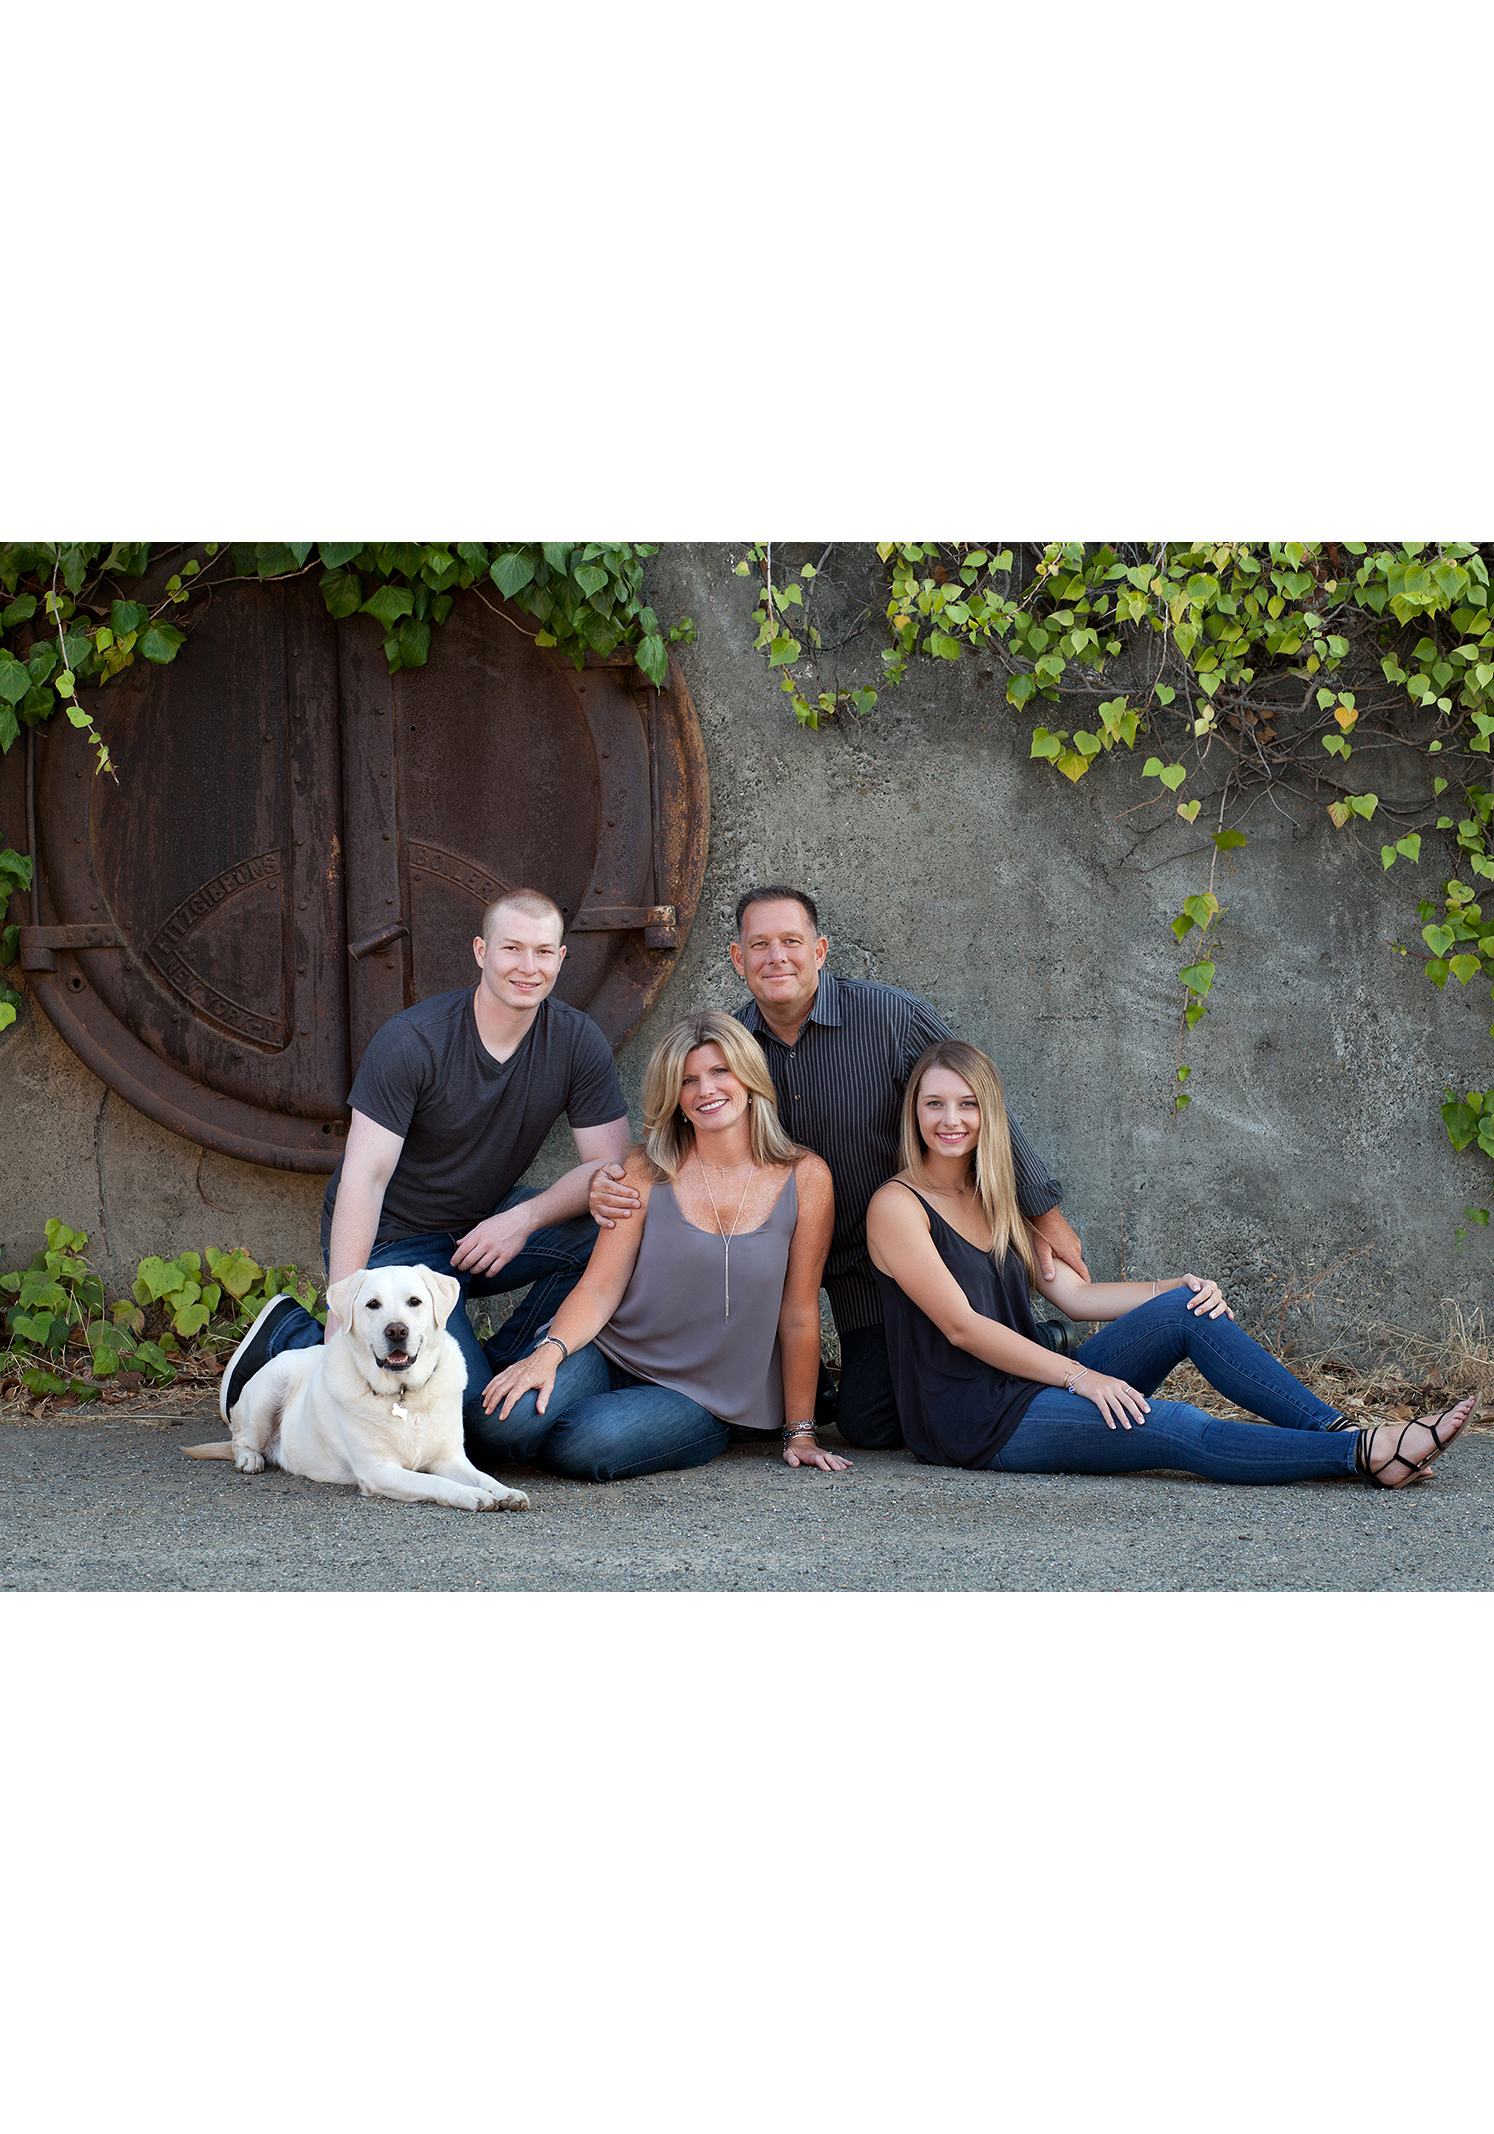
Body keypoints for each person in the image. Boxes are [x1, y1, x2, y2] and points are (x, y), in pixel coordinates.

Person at [591, 885, 1085, 1452]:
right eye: (759, 945)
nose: (776, 957)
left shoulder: (891, 1018)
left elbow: (980, 1104)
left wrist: (1042, 1212)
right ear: (737, 959)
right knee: (786, 1397)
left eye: (791, 942)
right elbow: (676, 1135)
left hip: (878, 1260)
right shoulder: (729, 1049)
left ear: (821, 950)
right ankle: (814, 1389)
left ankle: (1039, 1343)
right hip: (770, 1263)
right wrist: (608, 1181)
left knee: (870, 1423)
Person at [864, 1038, 1475, 1487]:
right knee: (1177, 1426)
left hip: (1032, 1382)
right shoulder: (897, 1207)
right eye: (935, 1105)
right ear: (913, 1113)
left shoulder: (994, 1197)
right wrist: (1083, 1377)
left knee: (1186, 1311)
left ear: (987, 1114)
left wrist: (1172, 1286)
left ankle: (1335, 1430)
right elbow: (961, 1327)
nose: (951, 1121)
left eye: (967, 1105)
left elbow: (1075, 1298)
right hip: (974, 1420)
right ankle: (1366, 1454)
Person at [219, 888, 631, 1442]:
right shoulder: (414, 1041)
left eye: (542, 952)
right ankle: (291, 1338)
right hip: (396, 1240)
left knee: (610, 1224)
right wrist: (345, 1311)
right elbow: (364, 1180)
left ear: (561, 959)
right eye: (512, 949)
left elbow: (611, 1176)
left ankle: (505, 1365)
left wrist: (524, 1218)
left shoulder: (577, 1040)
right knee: (477, 1431)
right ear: (482, 951)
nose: (527, 967)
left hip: (483, 1228)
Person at [470, 1010, 847, 1482]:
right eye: (688, 1081)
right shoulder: (646, 1173)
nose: (706, 1090)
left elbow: (798, 1313)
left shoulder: (807, 1178)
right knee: (494, 1429)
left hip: (702, 1395)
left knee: (587, 1445)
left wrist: (801, 1431)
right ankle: (558, 1408)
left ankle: (623, 1426)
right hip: (610, 1353)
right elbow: (598, 1289)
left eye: (719, 1071)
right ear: (675, 1099)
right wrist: (549, 1353)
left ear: (749, 1078)